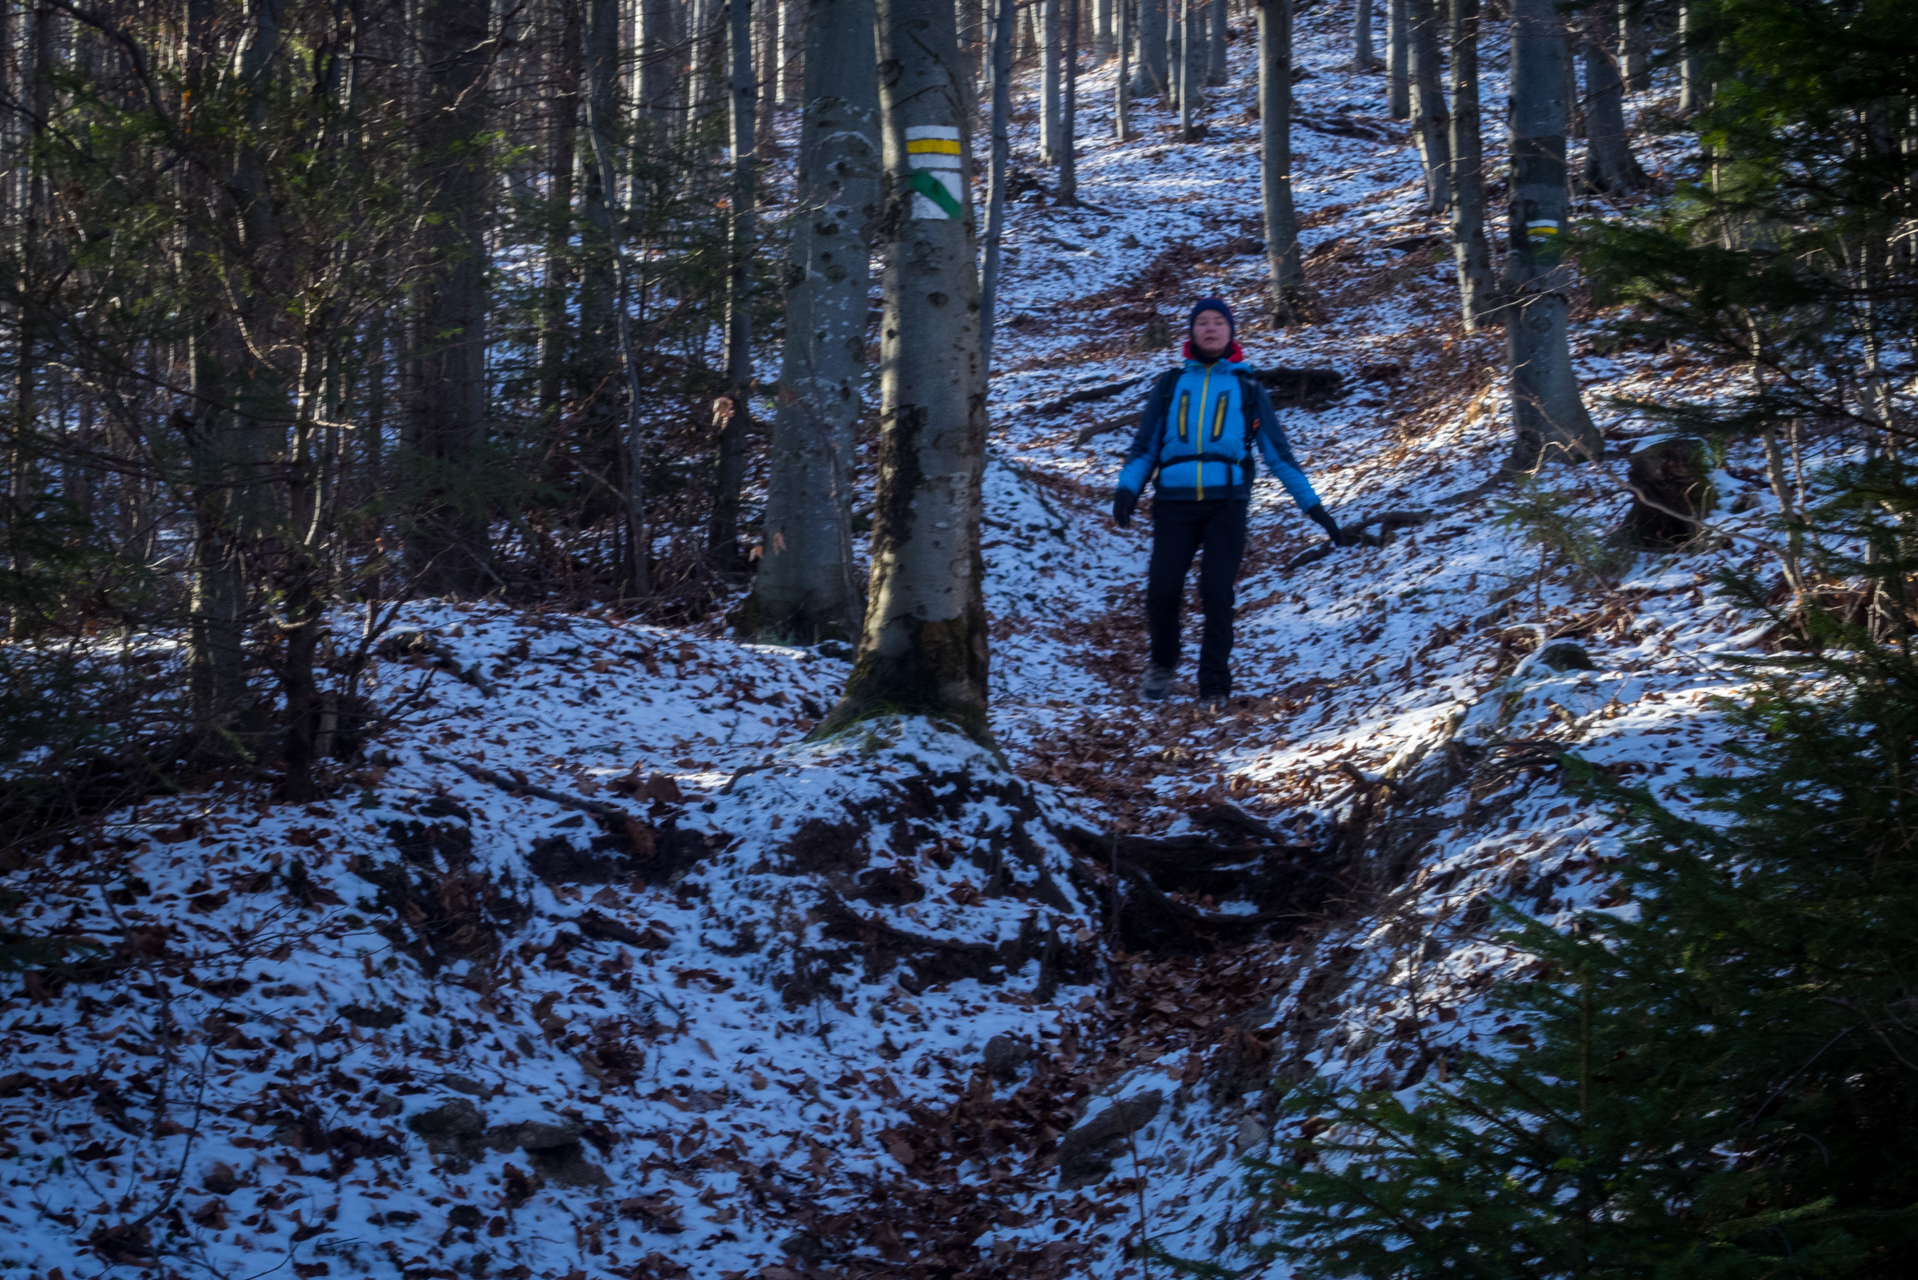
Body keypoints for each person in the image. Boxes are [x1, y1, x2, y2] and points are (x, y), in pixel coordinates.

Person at [1110, 298, 1352, 707]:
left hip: (1228, 504)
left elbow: (1278, 456)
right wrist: (1126, 489)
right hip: (1173, 502)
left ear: (1231, 332)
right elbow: (1144, 447)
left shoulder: (1248, 388)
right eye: (1201, 322)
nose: (1209, 328)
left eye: (1218, 322)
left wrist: (1315, 509)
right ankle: (1163, 663)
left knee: (1216, 592)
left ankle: (1214, 685)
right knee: (1162, 590)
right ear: (1191, 333)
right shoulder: (1170, 385)